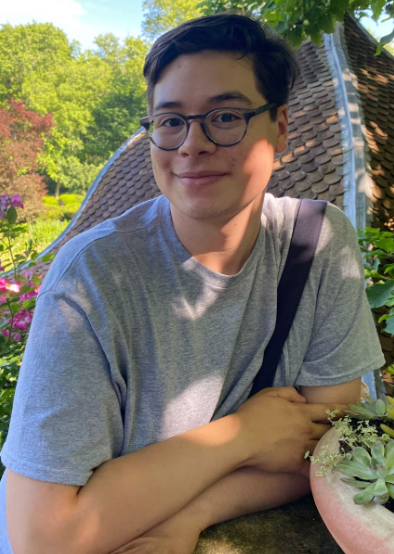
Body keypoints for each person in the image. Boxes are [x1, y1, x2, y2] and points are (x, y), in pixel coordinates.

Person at [0, 11, 384, 554]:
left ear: (281, 126)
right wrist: (247, 434)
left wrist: (193, 514)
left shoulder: (318, 243)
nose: (191, 144)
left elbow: (329, 448)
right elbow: (45, 537)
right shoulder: (93, 276)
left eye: (225, 116)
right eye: (170, 120)